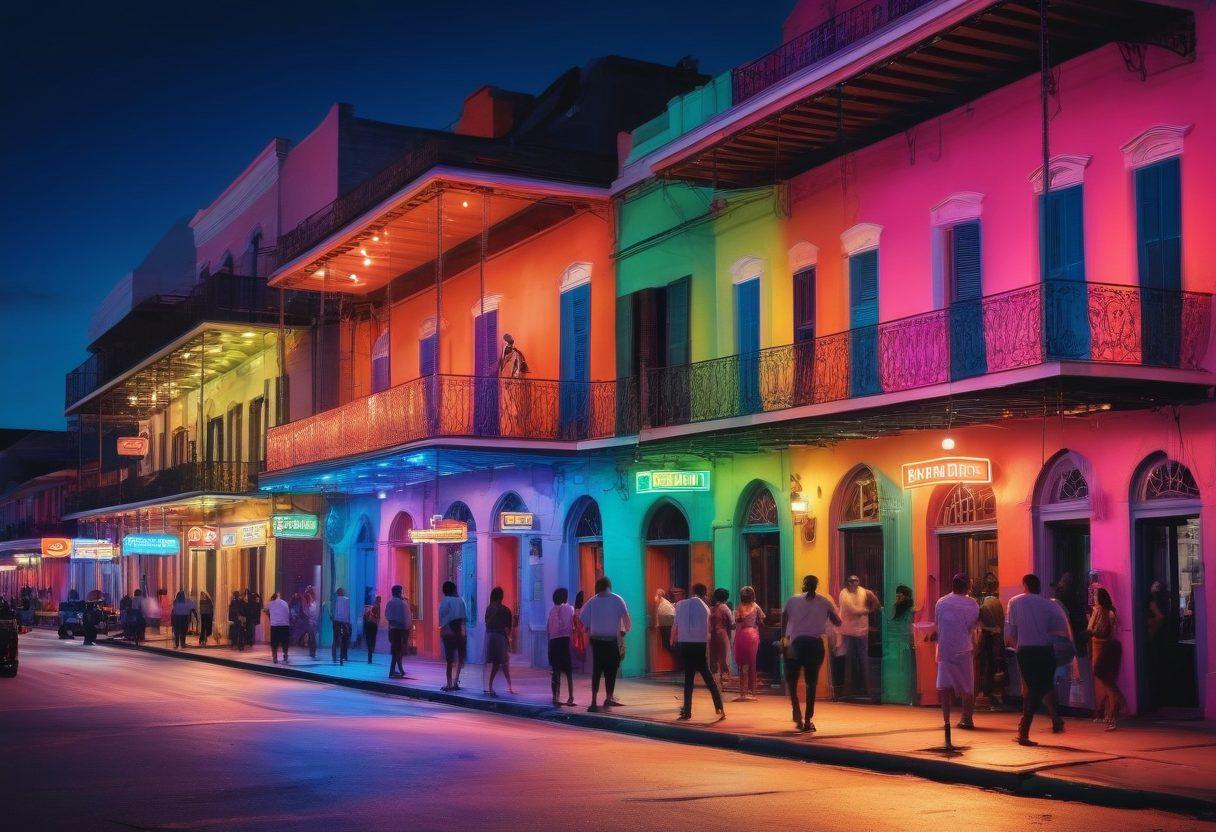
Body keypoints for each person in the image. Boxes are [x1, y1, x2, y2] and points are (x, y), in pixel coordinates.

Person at [1006, 573, 1070, 745]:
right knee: (1045, 684)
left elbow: (1011, 631)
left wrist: (1016, 646)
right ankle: (1055, 719)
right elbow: (1058, 628)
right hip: (1045, 650)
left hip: (1026, 650)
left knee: (1032, 689)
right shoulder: (1048, 604)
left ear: (1025, 586)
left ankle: (1024, 731)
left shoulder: (1015, 602)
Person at [783, 575, 842, 733]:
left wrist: (785, 638)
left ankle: (796, 712)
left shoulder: (792, 600)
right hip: (814, 645)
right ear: (816, 586)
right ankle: (808, 719)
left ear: (804, 584)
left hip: (796, 644)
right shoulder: (825, 601)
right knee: (811, 683)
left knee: (792, 681)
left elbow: (784, 617)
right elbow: (838, 622)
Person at [671, 583, 726, 722]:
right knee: (708, 677)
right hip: (699, 645)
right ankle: (719, 707)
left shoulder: (680, 605)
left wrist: (673, 640)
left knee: (688, 679)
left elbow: (675, 625)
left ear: (693, 591)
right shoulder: (705, 608)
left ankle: (687, 711)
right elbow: (708, 631)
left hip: (685, 644)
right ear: (704, 593)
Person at [934, 574, 981, 730]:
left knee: (945, 687)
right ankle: (967, 719)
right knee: (967, 686)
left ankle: (946, 719)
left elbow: (938, 624)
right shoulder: (972, 604)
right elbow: (971, 626)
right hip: (963, 648)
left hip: (945, 649)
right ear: (967, 586)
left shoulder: (941, 602)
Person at [579, 576, 631, 712]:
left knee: (597, 670)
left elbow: (583, 620)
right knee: (611, 670)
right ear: (609, 586)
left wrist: (588, 627)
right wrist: (623, 630)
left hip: (596, 641)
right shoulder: (617, 599)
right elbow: (627, 622)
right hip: (611, 641)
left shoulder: (592, 601)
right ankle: (609, 697)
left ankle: (593, 700)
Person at [1086, 587, 1126, 730]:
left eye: (1095, 596)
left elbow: (1098, 630)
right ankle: (1108, 714)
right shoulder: (1107, 611)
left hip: (1101, 646)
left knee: (1105, 679)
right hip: (1106, 646)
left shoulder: (1101, 612)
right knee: (1106, 680)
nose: (1094, 598)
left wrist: (1089, 629)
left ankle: (1116, 707)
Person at [838, 575, 879, 700]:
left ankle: (867, 690)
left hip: (861, 632)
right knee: (849, 661)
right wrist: (867, 610)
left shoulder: (864, 592)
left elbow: (876, 603)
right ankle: (849, 690)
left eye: (856, 581)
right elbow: (852, 610)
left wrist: (872, 606)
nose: (854, 583)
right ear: (847, 582)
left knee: (863, 659)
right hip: (848, 632)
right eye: (851, 581)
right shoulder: (844, 594)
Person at [977, 578, 1006, 708]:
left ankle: (988, 692)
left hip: (988, 636)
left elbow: (982, 621)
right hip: (998, 636)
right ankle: (995, 692)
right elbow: (1002, 620)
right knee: (995, 663)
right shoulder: (997, 602)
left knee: (988, 664)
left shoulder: (984, 603)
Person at [732, 586, 765, 701]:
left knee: (742, 664)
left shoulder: (739, 607)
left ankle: (742, 692)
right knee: (752, 663)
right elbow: (762, 619)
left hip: (741, 635)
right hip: (753, 634)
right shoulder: (756, 607)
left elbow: (737, 622)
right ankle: (753, 692)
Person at [482, 586, 515, 696]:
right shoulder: (505, 610)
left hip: (491, 638)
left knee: (495, 664)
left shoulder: (489, 609)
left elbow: (486, 623)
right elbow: (508, 628)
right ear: (501, 597)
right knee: (503, 663)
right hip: (500, 638)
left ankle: (490, 686)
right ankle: (508, 686)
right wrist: (508, 641)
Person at [547, 587, 576, 706]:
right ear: (565, 598)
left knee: (555, 671)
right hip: (564, 641)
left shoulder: (552, 611)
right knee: (568, 671)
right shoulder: (569, 608)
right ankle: (570, 697)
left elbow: (548, 629)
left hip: (553, 642)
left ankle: (555, 697)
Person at [438, 581, 468, 691]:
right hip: (459, 630)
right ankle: (456, 681)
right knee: (460, 658)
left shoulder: (445, 601)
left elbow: (442, 618)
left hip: (448, 631)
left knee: (449, 660)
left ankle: (449, 683)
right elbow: (464, 618)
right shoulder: (460, 601)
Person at [708, 588, 734, 691]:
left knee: (714, 658)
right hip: (722, 634)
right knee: (724, 658)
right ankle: (724, 682)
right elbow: (732, 624)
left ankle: (714, 682)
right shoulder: (725, 608)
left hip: (712, 635)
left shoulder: (711, 609)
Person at [385, 585, 411, 679]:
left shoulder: (390, 603)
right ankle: (393, 671)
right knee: (397, 651)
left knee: (396, 651)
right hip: (400, 631)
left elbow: (387, 616)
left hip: (392, 630)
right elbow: (405, 618)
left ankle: (399, 670)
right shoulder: (401, 603)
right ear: (399, 592)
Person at [266, 592, 291, 663]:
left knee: (274, 643)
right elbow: (288, 613)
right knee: (285, 642)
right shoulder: (285, 603)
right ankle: (285, 655)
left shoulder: (270, 603)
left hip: (275, 625)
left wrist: (270, 616)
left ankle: (275, 658)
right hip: (285, 625)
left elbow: (265, 610)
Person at [331, 587, 352, 666]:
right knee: (344, 639)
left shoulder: (335, 600)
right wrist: (348, 622)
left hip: (336, 621)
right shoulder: (346, 599)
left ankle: (334, 656)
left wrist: (333, 619)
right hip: (344, 622)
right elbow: (347, 612)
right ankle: (342, 657)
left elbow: (333, 611)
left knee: (335, 639)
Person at [655, 588, 676, 661]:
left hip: (666, 626)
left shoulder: (665, 605)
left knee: (668, 644)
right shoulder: (662, 604)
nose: (655, 597)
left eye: (657, 595)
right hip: (665, 625)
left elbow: (668, 616)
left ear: (660, 596)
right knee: (667, 644)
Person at [572, 590, 588, 672]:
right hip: (583, 632)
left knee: (579, 650)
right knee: (584, 650)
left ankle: (581, 668)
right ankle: (583, 668)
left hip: (577, 633)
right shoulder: (583, 610)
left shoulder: (575, 611)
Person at [363, 594, 381, 664]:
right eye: (379, 599)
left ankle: (370, 652)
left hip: (369, 624)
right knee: (372, 639)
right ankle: (370, 652)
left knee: (370, 639)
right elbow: (377, 616)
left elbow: (365, 616)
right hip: (372, 624)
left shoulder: (369, 606)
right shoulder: (376, 606)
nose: (380, 600)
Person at [303, 586, 320, 659]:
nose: (310, 597)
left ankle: (313, 652)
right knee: (311, 637)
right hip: (311, 622)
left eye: (311, 596)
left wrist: (312, 619)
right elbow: (307, 612)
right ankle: (311, 652)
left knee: (312, 637)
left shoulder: (315, 604)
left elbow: (314, 614)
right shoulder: (311, 604)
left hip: (313, 623)